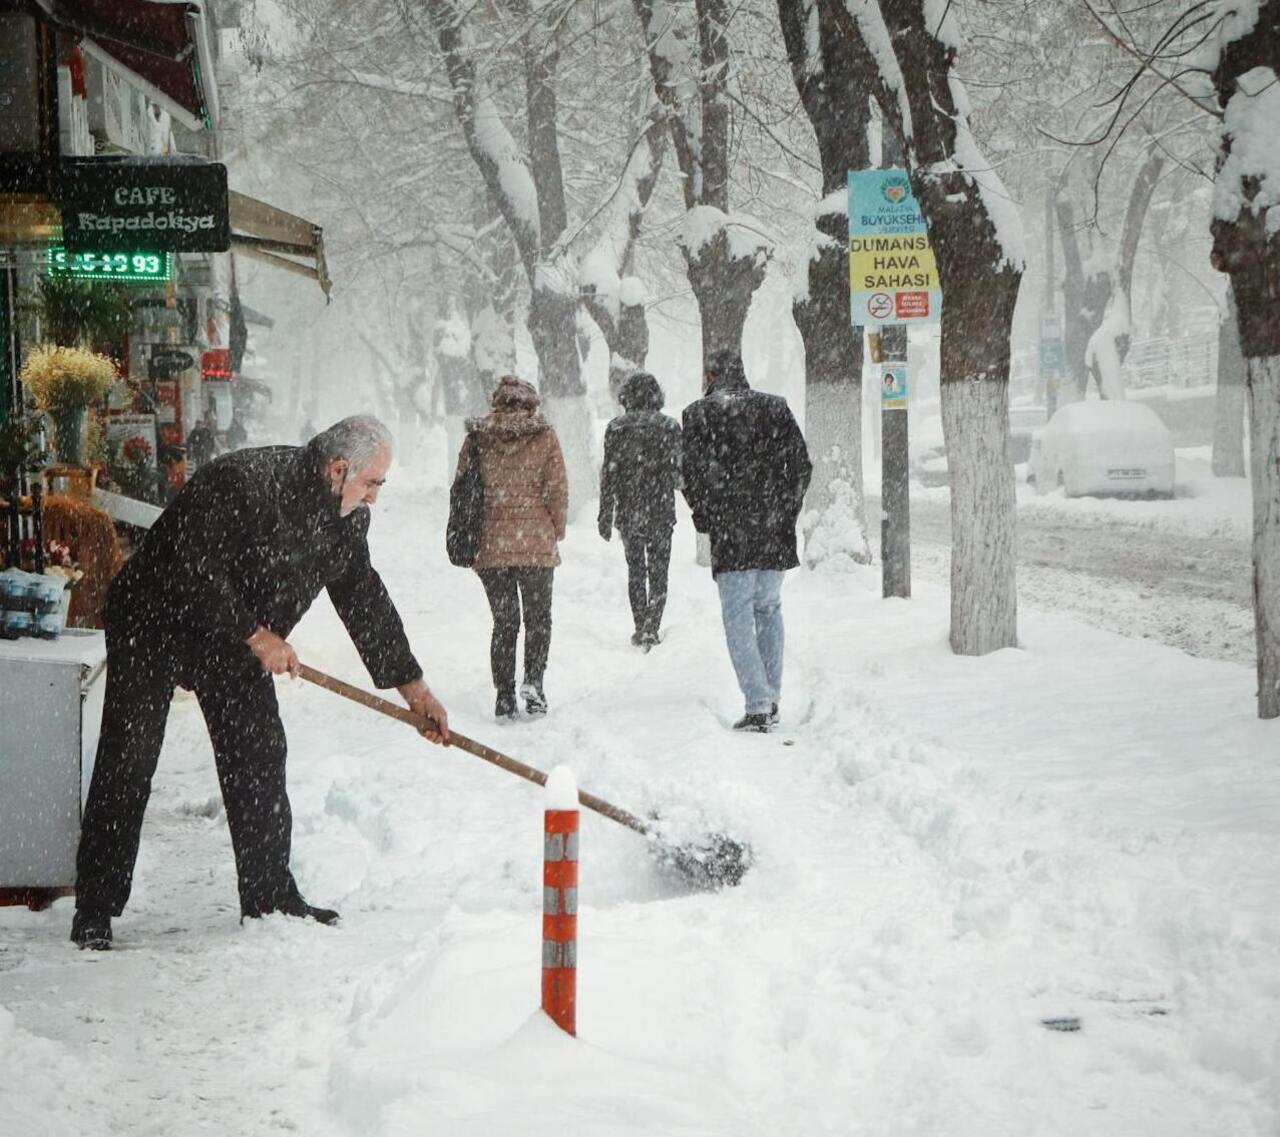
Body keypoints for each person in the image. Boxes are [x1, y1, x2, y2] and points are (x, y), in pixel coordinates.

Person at [70, 416, 449, 950]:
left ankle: (270, 896)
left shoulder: (346, 520)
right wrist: (257, 635)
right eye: (372, 483)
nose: (374, 498)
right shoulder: (246, 482)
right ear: (338, 469)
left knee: (259, 751)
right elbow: (191, 566)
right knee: (130, 755)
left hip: (231, 637)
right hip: (155, 619)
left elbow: (364, 598)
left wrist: (415, 689)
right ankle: (95, 907)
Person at [681, 350, 812, 732]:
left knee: (737, 616)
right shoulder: (775, 408)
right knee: (768, 608)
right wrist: (785, 510)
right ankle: (770, 696)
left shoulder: (698, 414)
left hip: (731, 531)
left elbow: (691, 474)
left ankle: (758, 703)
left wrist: (707, 517)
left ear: (711, 374)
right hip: (773, 530)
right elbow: (800, 466)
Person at [455, 374, 567, 720]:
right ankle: (533, 683)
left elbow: (463, 489)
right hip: (535, 545)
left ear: (497, 403)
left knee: (505, 623)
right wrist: (555, 530)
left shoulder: (477, 438)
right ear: (531, 404)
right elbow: (557, 491)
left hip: (491, 546)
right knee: (538, 620)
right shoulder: (545, 436)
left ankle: (504, 695)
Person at [598, 371, 682, 649]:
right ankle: (652, 626)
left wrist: (605, 512)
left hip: (629, 509)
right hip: (660, 508)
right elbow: (680, 473)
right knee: (659, 570)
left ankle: (639, 625)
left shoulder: (616, 428)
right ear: (656, 395)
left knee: (636, 570)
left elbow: (608, 474)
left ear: (627, 397)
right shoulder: (669, 427)